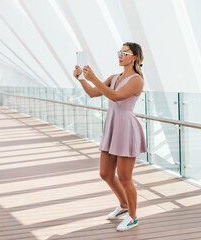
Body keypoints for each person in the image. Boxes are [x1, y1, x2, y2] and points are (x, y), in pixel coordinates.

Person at [73, 42, 147, 231]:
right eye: (119, 52)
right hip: (113, 127)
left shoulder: (137, 80)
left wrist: (94, 78)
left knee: (124, 177)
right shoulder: (114, 77)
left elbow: (115, 96)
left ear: (134, 57)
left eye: (124, 52)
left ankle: (133, 216)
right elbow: (93, 93)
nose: (120, 55)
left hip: (126, 129)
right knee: (105, 173)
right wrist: (82, 79)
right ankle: (123, 206)